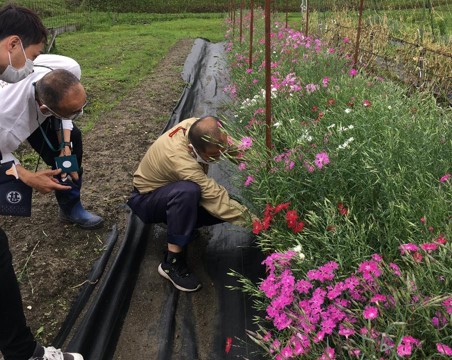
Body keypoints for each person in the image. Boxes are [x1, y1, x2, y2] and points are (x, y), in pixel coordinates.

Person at [0, 4, 84, 360]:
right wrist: (26, 175)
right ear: (13, 44)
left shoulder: (67, 70)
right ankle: (22, 352)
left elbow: (71, 109)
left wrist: (66, 141)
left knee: (74, 143)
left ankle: (71, 203)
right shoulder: (7, 118)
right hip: (9, 135)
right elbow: (3, 158)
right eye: (32, 55)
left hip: (41, 113)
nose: (33, 63)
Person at [127, 115, 255, 292]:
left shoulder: (197, 128)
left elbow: (228, 146)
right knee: (191, 192)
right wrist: (255, 223)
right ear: (192, 149)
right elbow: (214, 196)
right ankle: (171, 262)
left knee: (227, 203)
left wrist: (258, 163)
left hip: (168, 191)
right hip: (147, 198)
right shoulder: (180, 160)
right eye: (212, 156)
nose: (219, 157)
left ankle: (180, 222)